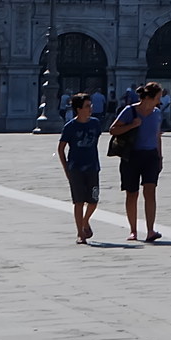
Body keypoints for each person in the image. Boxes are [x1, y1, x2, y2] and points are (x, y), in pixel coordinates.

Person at [111, 82, 169, 241]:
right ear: (148, 97)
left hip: (150, 156)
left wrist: (160, 157)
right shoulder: (130, 111)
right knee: (132, 194)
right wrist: (131, 125)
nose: (159, 101)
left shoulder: (157, 113)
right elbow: (113, 129)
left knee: (150, 192)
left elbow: (157, 136)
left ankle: (150, 230)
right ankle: (133, 230)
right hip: (131, 156)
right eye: (157, 98)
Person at [57, 93, 107, 243]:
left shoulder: (95, 123)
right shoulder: (70, 127)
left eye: (90, 105)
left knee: (94, 200)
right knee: (78, 202)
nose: (90, 108)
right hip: (76, 169)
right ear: (78, 109)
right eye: (87, 106)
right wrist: (66, 168)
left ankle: (85, 221)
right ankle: (80, 233)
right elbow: (61, 148)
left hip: (93, 167)